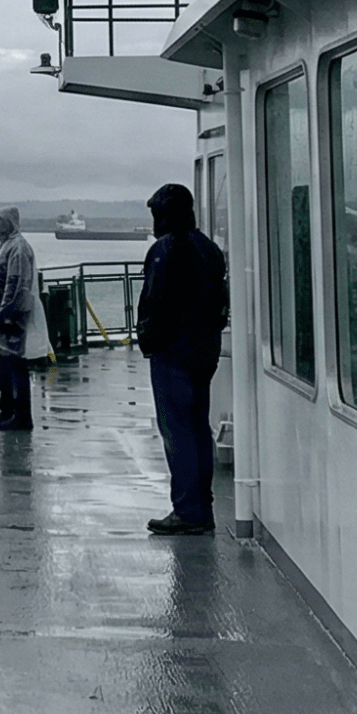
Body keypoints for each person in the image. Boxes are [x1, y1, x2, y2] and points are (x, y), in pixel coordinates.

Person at [135, 183, 229, 535]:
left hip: (173, 353)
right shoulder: (209, 249)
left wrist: (148, 340)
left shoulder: (165, 250)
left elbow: (154, 302)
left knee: (177, 431)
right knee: (198, 428)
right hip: (204, 351)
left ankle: (188, 510)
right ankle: (202, 505)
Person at [0, 206, 48, 430]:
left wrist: (7, 312)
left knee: (17, 366)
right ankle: (7, 410)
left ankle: (22, 416)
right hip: (1, 315)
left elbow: (17, 283)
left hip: (13, 317)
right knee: (4, 364)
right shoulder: (4, 245)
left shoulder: (18, 247)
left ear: (8, 223)